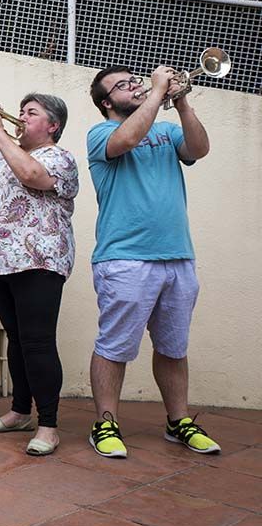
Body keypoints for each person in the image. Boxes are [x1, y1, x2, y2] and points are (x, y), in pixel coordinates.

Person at [86, 65, 219, 458]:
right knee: (114, 345)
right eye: (122, 85)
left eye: (135, 80)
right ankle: (105, 422)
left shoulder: (166, 130)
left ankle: (178, 421)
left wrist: (182, 103)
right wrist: (159, 91)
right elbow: (127, 139)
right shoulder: (100, 133)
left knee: (174, 347)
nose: (135, 86)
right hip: (124, 258)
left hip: (178, 256)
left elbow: (199, 149)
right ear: (107, 102)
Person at [0, 93, 78, 456]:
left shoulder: (59, 158)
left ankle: (48, 425)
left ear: (52, 125)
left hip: (39, 262)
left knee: (38, 342)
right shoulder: (0, 155)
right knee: (17, 339)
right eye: (21, 111)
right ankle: (20, 412)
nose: (20, 117)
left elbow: (31, 175)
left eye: (31, 113)